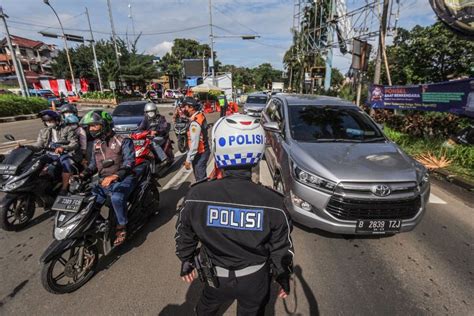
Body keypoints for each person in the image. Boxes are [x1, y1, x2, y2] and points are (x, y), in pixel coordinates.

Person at [175, 114, 294, 315]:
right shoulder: (273, 202)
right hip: (255, 278)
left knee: (206, 308)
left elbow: (184, 233)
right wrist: (283, 276)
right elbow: (282, 247)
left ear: (218, 147)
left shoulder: (197, 195)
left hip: (215, 277)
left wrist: (186, 259)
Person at [80, 110, 136, 246]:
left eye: (94, 125)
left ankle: (121, 226)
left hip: (124, 178)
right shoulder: (96, 144)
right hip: (103, 180)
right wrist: (82, 175)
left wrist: (115, 176)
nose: (91, 129)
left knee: (116, 197)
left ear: (104, 124)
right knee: (88, 201)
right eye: (90, 127)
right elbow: (94, 164)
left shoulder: (123, 140)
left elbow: (129, 162)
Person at [23, 110, 80, 194]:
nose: (48, 123)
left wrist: (64, 148)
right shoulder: (43, 131)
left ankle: (64, 188)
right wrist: (25, 146)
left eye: (50, 121)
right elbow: (39, 145)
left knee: (66, 165)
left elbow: (74, 143)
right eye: (46, 122)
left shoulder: (67, 129)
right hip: (50, 154)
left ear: (57, 120)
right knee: (36, 163)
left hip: (65, 153)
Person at [182, 97, 210, 182]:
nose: (184, 109)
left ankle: (203, 194)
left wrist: (188, 160)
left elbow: (194, 144)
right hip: (203, 151)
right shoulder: (199, 115)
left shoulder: (195, 123)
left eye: (185, 107)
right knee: (200, 177)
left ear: (191, 108)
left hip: (200, 153)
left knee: (200, 179)